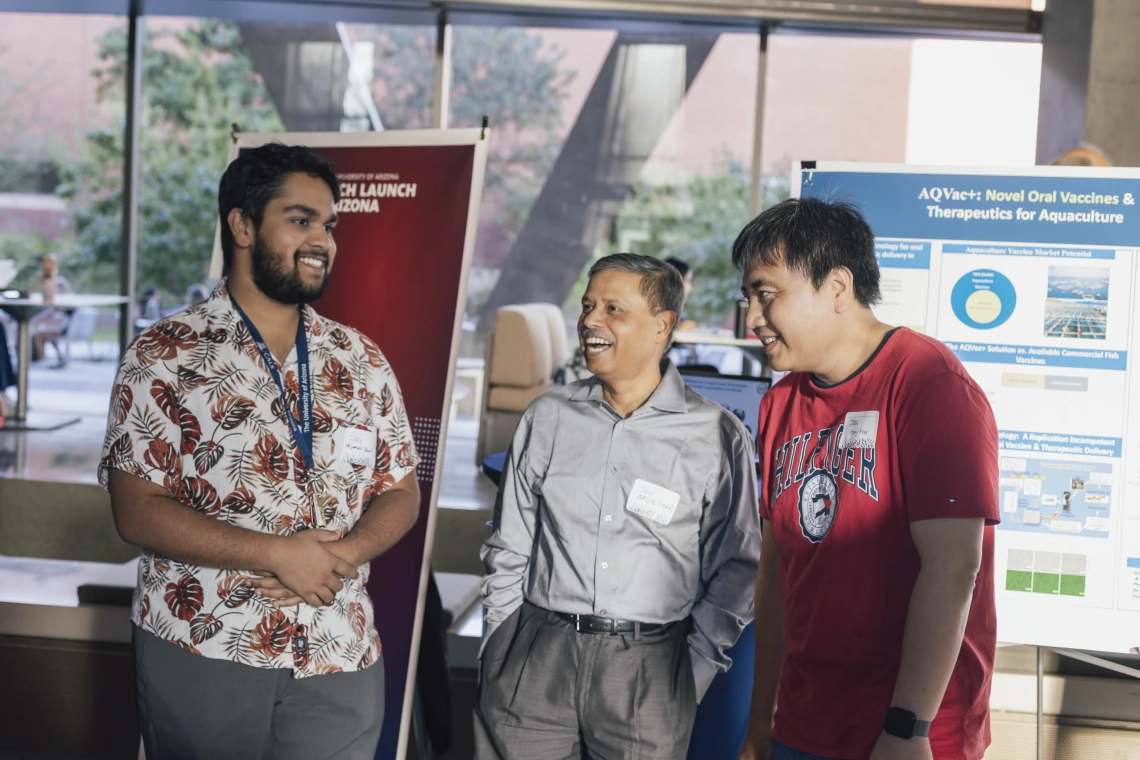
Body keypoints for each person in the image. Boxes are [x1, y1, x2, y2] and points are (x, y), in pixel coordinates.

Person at [100, 143, 422, 760]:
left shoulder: (362, 360)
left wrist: (344, 554)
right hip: (208, 644)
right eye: (300, 220)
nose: (322, 240)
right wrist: (277, 554)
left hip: (339, 647)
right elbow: (136, 509)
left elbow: (401, 490)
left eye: (329, 225)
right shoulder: (165, 354)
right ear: (242, 225)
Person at [735, 198, 1000, 760]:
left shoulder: (928, 383)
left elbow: (953, 567)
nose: (752, 317)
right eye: (748, 298)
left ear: (836, 286)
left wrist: (908, 728)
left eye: (766, 294)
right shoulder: (780, 403)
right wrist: (760, 722)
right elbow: (776, 573)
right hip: (803, 724)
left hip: (908, 730)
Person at [476, 253, 761, 760]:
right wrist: (499, 646)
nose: (590, 321)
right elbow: (510, 544)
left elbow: (737, 569)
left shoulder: (716, 435)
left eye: (613, 309)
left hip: (650, 669)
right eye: (588, 306)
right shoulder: (548, 416)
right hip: (536, 654)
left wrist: (691, 672)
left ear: (662, 326)